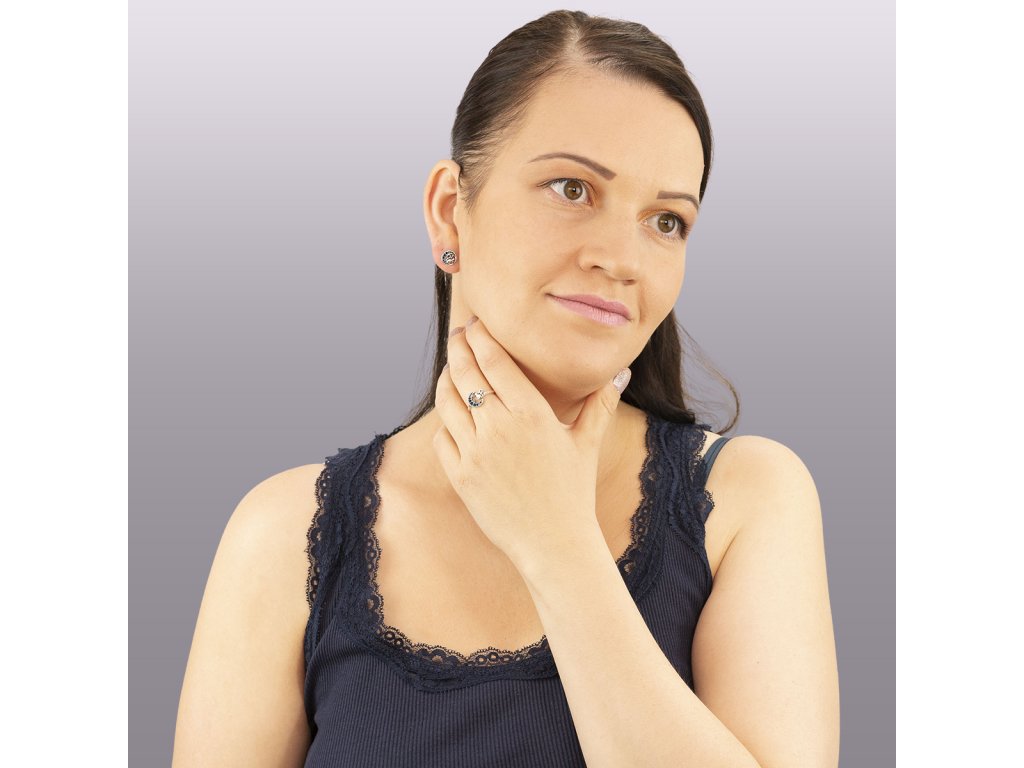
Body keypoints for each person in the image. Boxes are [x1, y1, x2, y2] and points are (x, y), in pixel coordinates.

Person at [172, 10, 840, 767]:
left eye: (665, 221)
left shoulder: (747, 501)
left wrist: (555, 540)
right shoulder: (284, 536)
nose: (622, 258)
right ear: (449, 210)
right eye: (572, 188)